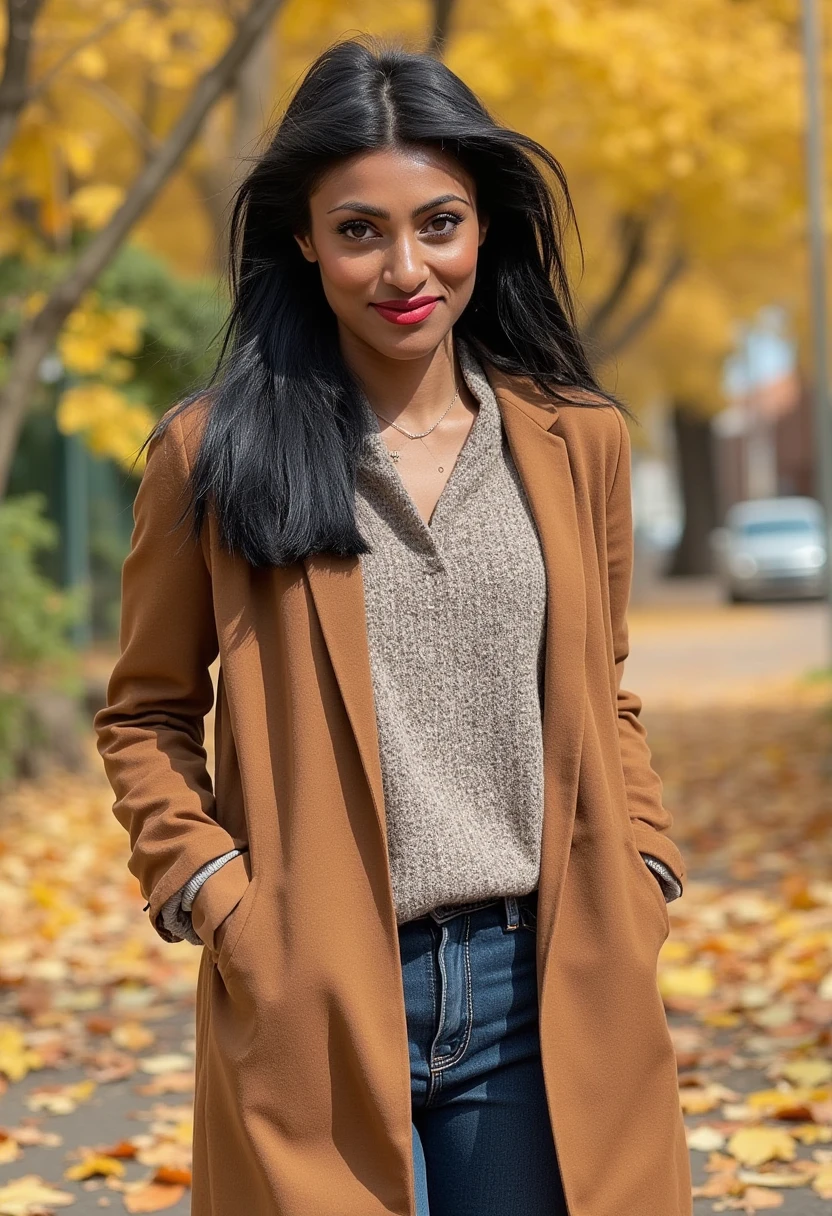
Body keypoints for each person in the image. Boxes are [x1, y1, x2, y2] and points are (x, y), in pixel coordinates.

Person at [93, 34, 691, 1216]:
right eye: (360, 229)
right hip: (314, 985)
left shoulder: (580, 442)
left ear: (484, 230)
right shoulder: (212, 454)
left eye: (440, 223)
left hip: (548, 983)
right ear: (304, 239)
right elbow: (147, 713)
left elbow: (599, 684)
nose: (405, 267)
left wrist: (644, 859)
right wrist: (216, 894)